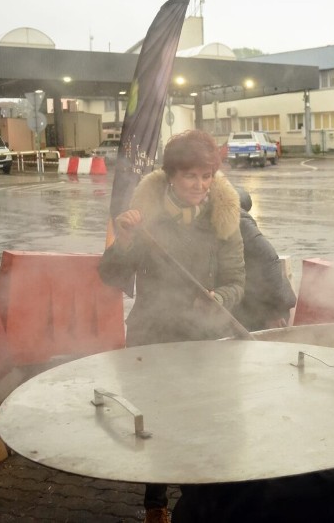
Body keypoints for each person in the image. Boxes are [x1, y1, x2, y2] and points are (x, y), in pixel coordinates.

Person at [98, 129, 245, 523]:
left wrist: (220, 299)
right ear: (171, 176)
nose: (199, 185)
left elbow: (236, 281)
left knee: (201, 419)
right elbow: (111, 276)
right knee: (155, 420)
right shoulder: (145, 219)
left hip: (203, 338)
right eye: (189, 176)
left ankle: (199, 500)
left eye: (205, 176)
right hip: (152, 334)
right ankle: (155, 503)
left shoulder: (223, 219)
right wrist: (125, 241)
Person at [232, 187, 297, 331]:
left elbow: (269, 260)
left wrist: (274, 312)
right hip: (242, 301)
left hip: (267, 307)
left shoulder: (238, 221)